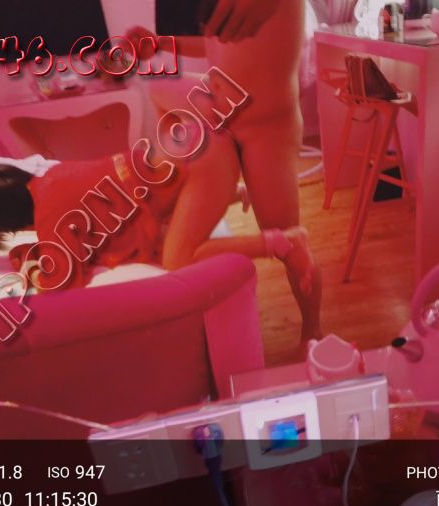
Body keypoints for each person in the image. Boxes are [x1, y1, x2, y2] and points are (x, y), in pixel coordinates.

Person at [0, 123, 319, 338]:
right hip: (198, 146)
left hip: (204, 163)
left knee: (178, 261)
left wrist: (24, 263)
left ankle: (283, 243)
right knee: (164, 215)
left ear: (6, 222)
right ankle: (229, 192)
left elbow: (58, 281)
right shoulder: (53, 177)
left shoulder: (50, 216)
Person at [129, 0, 323, 348]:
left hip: (266, 132)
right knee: (157, 89)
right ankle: (206, 182)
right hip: (217, 106)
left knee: (286, 238)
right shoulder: (224, 11)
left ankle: (313, 328)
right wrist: (159, 44)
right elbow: (214, 44)